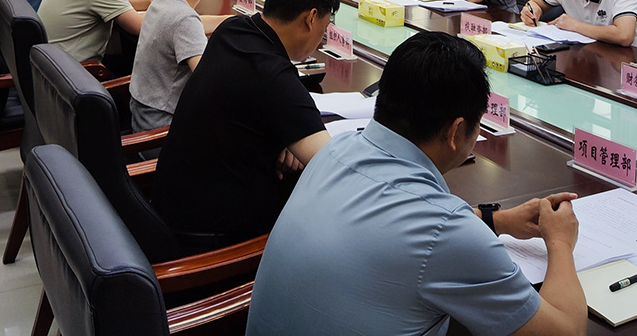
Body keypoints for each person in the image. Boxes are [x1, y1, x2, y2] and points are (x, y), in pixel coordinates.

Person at [247, 31, 586, 336]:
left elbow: (395, 220)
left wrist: (498, 220)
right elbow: (566, 331)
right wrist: (559, 242)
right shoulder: (446, 229)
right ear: (455, 131)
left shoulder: (336, 149)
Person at [151, 0, 340, 249]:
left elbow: (247, 108)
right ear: (311, 18)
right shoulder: (273, 75)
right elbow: (334, 166)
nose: (322, 38)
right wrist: (294, 135)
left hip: (170, 209)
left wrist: (288, 137)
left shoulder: (232, 30)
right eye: (325, 28)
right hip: (211, 241)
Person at [129, 0, 234, 131]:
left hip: (142, 112)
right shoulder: (185, 20)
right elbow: (208, 81)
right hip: (163, 125)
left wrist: (230, 20)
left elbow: (190, 23)